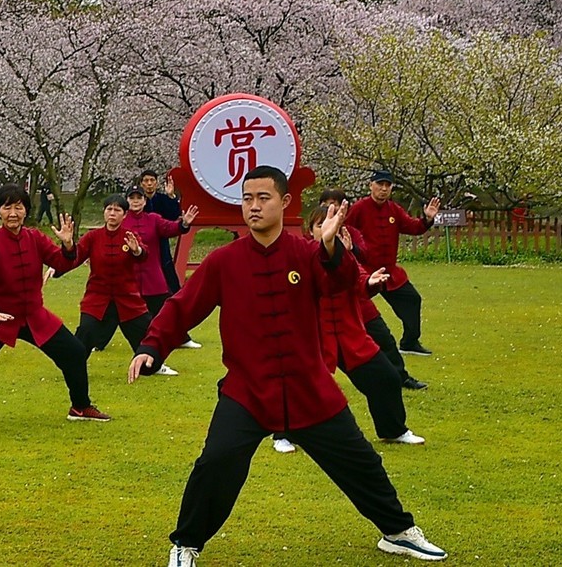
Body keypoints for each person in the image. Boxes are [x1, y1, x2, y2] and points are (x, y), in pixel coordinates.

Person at [129, 166, 446, 565]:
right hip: (247, 390)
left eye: (264, 198)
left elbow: (341, 281)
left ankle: (398, 532)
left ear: (284, 202)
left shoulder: (309, 254)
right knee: (216, 462)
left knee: (360, 462)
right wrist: (151, 347)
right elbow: (183, 307)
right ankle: (186, 543)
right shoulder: (224, 261)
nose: (254, 206)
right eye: (247, 199)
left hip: (309, 388)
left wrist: (332, 248)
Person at [0, 183, 109, 435]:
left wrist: (67, 246)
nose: (13, 213)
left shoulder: (34, 237)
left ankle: (80, 407)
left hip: (34, 315)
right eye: (7, 207)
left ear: (25, 210)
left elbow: (60, 263)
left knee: (75, 352)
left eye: (18, 207)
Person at [272, 205, 425, 455]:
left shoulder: (345, 257)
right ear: (310, 231)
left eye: (332, 224)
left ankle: (393, 430)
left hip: (349, 334)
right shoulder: (299, 257)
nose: (326, 229)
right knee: (297, 383)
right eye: (320, 225)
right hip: (314, 337)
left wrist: (371, 282)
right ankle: (283, 435)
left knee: (385, 377)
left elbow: (358, 278)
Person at [320, 188, 425, 392]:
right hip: (326, 310)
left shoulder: (351, 233)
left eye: (336, 204)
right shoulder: (312, 235)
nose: (330, 209)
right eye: (326, 204)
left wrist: (353, 254)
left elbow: (364, 258)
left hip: (358, 299)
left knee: (384, 339)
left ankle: (399, 377)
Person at [62, 194, 177, 376]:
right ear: (104, 213)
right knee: (86, 330)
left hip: (127, 298)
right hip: (97, 297)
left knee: (147, 332)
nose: (112, 214)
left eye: (117, 210)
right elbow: (75, 256)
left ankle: (154, 365)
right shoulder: (93, 236)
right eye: (109, 209)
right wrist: (66, 248)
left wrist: (136, 250)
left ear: (125, 215)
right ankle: (72, 365)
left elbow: (143, 253)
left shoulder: (129, 236)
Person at [345, 171, 441, 356]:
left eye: (387, 185)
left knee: (412, 299)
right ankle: (354, 342)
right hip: (366, 272)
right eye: (380, 184)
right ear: (371, 185)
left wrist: (427, 218)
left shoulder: (394, 209)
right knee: (354, 306)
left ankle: (409, 342)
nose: (383, 189)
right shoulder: (359, 208)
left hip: (390, 273)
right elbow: (346, 231)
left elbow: (413, 227)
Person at [123, 186, 201, 348]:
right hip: (129, 277)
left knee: (166, 309)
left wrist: (184, 224)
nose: (136, 201)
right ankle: (96, 342)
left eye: (139, 198)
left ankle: (181, 338)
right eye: (132, 198)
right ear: (127, 200)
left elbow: (171, 228)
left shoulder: (153, 219)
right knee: (114, 311)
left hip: (153, 277)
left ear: (145, 201)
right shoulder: (122, 221)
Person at [139, 170, 185, 295]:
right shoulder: (137, 202)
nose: (149, 184)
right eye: (146, 181)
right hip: (143, 241)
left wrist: (171, 196)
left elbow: (173, 216)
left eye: (152, 180)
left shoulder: (164, 199)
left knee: (168, 272)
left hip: (161, 242)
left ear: (157, 183)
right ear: (141, 183)